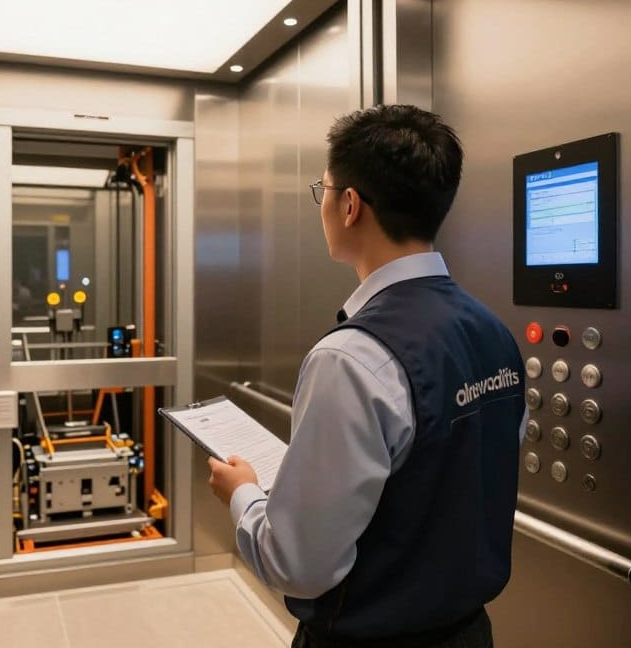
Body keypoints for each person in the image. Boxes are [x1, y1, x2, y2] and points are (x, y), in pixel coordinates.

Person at [208, 105, 526, 648]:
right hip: (469, 634)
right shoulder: (494, 332)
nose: (324, 204)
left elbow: (300, 564)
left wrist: (244, 496)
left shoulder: (352, 359)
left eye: (323, 190)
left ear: (349, 205)